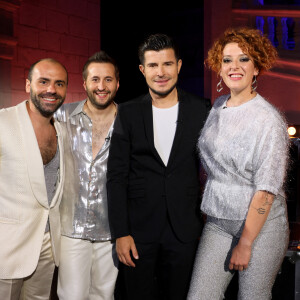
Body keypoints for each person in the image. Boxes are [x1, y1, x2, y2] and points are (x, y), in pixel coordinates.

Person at [106, 33, 211, 300]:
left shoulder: (201, 110)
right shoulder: (127, 113)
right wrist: (121, 233)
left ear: (178, 65)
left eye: (167, 64)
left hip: (184, 230)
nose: (160, 72)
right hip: (138, 231)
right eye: (153, 65)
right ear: (142, 70)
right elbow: (116, 176)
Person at [188, 27, 290, 300]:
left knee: (252, 296)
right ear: (218, 68)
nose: (234, 66)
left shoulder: (267, 119)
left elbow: (267, 189)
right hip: (219, 222)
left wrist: (245, 243)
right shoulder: (218, 107)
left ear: (256, 67)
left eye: (243, 59)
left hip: (261, 226)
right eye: (227, 60)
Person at [0, 58, 68, 299]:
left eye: (59, 84)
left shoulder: (62, 130)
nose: (51, 89)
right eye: (44, 81)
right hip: (7, 247)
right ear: (28, 85)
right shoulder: (3, 121)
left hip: (48, 244)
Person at [55, 51, 119, 300]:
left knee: (105, 296)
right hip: (71, 227)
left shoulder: (130, 121)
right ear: (84, 83)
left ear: (117, 83)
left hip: (112, 231)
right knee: (71, 296)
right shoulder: (62, 116)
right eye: (95, 79)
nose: (101, 86)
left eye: (108, 79)